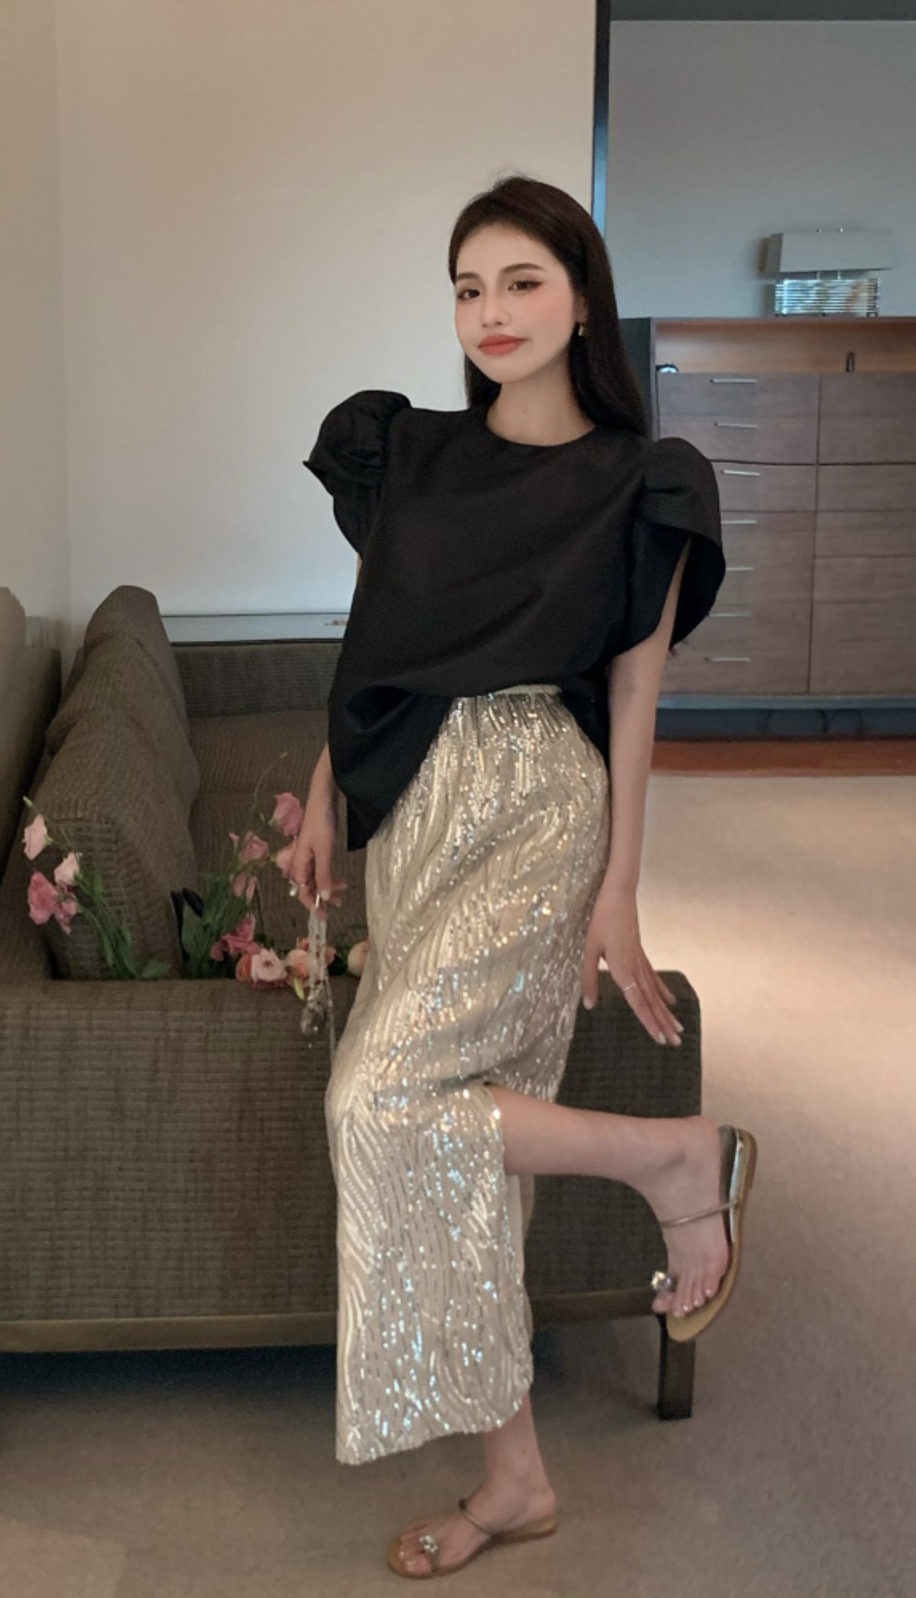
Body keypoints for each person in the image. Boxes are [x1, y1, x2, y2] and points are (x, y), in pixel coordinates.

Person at [287, 174, 758, 1581]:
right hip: (415, 808)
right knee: (463, 1160)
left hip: (540, 802)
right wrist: (327, 790)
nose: (490, 313)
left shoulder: (640, 483)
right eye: (468, 287)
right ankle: (517, 1480)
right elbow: (379, 642)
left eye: (521, 282)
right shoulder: (409, 453)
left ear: (582, 299)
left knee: (378, 1099)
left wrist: (621, 885)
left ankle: (673, 1156)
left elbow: (635, 698)